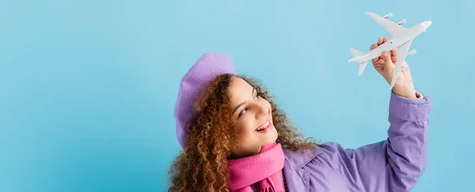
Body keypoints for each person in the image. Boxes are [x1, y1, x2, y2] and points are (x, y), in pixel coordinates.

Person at [168, 37, 432, 192]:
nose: (263, 108)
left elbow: (398, 168)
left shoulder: (319, 162)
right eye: (244, 110)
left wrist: (403, 91)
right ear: (217, 138)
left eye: (256, 96)